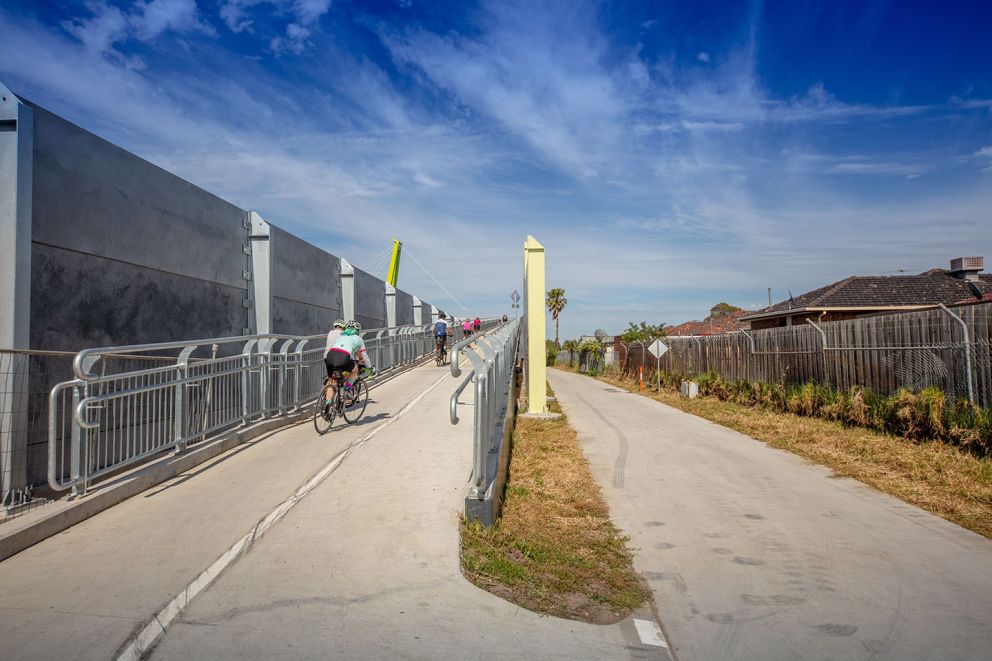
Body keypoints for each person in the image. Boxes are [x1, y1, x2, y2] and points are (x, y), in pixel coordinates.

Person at [326, 320, 372, 398]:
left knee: (333, 380)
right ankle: (347, 389)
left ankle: (328, 402)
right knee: (355, 370)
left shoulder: (341, 336)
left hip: (330, 356)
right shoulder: (358, 339)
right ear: (357, 331)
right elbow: (364, 354)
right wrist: (369, 367)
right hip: (344, 357)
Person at [322, 319, 347, 402]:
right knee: (346, 375)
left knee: (331, 379)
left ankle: (327, 402)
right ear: (343, 327)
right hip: (338, 358)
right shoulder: (344, 334)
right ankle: (343, 398)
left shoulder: (330, 333)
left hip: (327, 357)